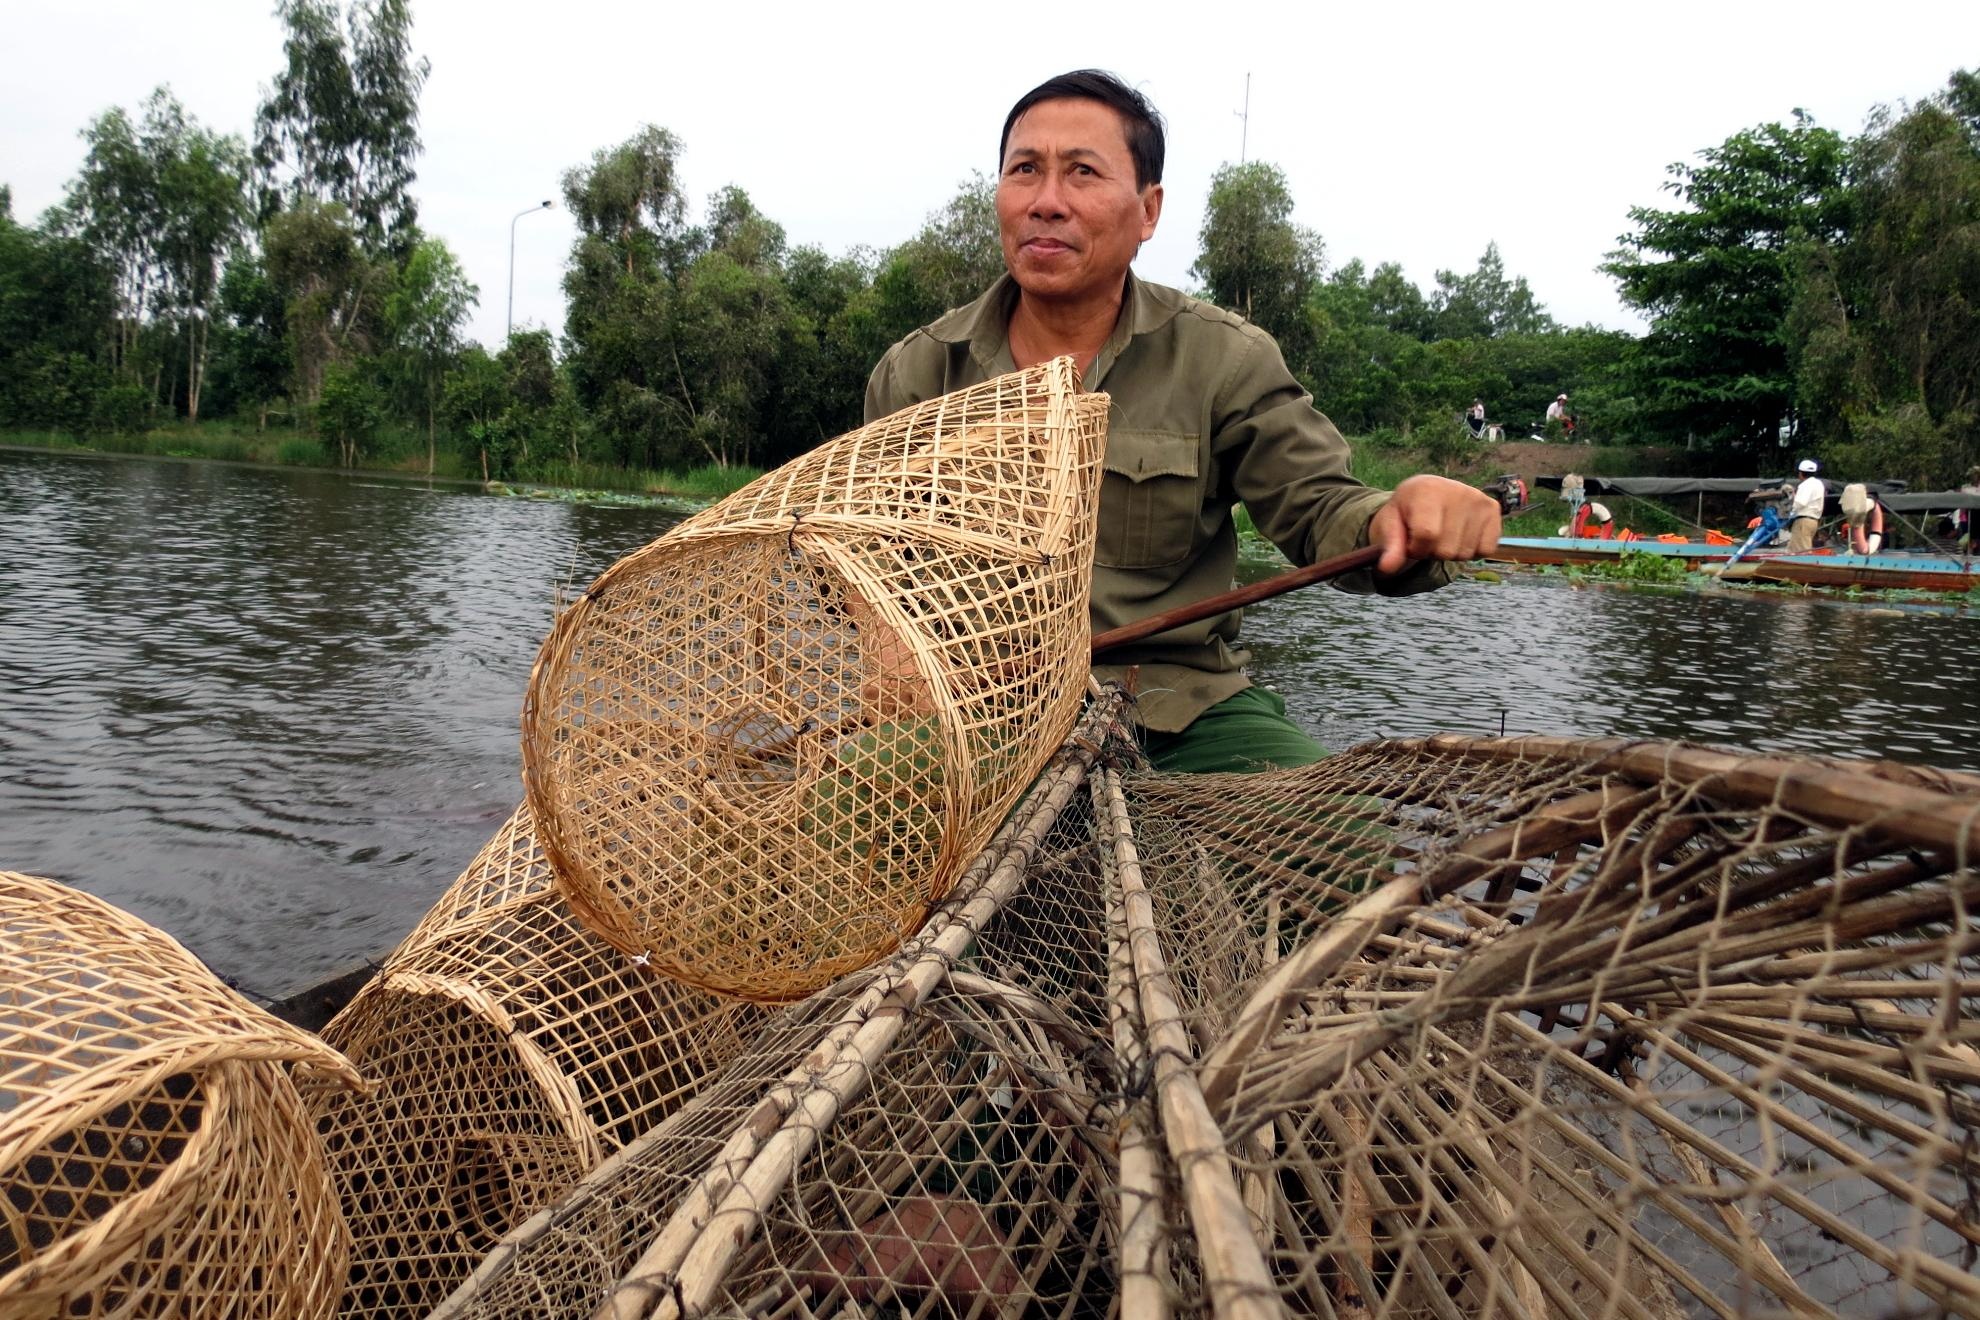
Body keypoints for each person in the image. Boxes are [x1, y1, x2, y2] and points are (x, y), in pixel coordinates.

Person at [865, 69, 1499, 775]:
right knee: (828, 825)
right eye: (1025, 170)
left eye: (1082, 173)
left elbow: (1320, 509)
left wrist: (1396, 521)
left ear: (1148, 210)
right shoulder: (918, 373)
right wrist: (889, 651)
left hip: (1177, 706)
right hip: (972, 716)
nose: (1047, 202)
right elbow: (859, 559)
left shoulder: (1224, 359)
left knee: (1343, 844)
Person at [1787, 458, 1826, 552]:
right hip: (1813, 521)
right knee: (1795, 549)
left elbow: (1800, 503)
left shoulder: (1805, 485)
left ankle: (1804, 566)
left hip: (1803, 521)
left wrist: (1789, 509)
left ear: (1801, 473)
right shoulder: (1819, 484)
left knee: (1801, 551)